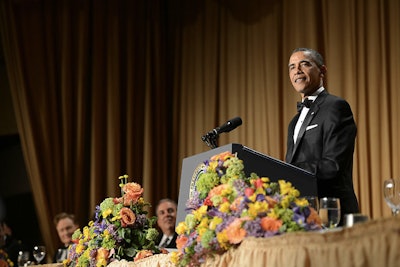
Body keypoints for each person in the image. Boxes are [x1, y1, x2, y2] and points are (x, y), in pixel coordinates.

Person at [285, 47, 359, 224]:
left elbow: (333, 165)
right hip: (301, 216)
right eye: (292, 67)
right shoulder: (294, 123)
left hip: (333, 212)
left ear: (322, 70)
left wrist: (289, 171)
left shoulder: (336, 106)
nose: (297, 70)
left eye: (305, 64)